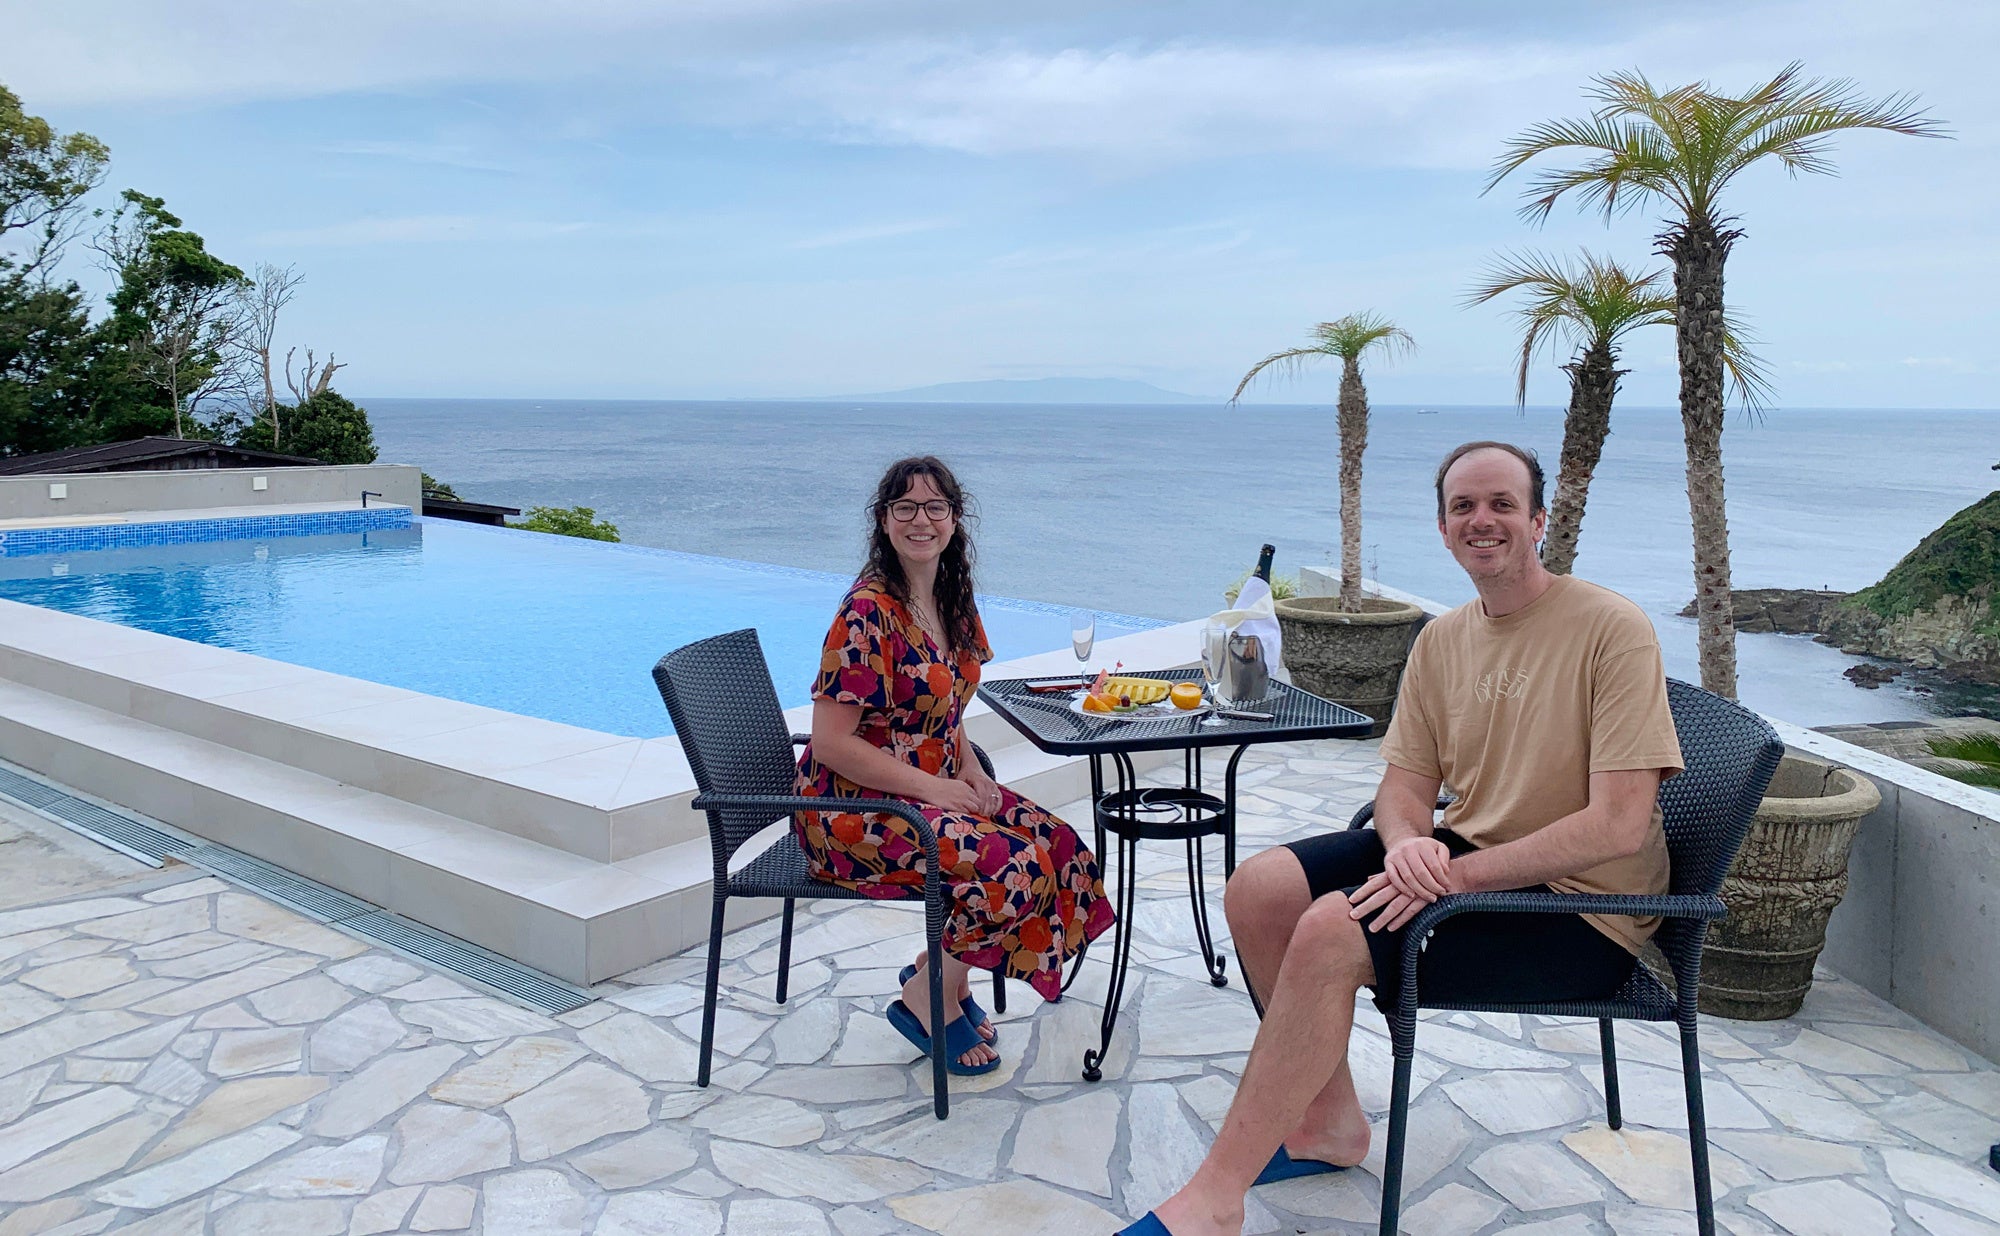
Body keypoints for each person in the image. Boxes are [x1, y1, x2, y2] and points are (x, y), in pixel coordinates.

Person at [1124, 441, 1684, 1235]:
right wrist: (1407, 846)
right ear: (1443, 528)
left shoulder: (1610, 629)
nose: (1482, 520)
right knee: (1261, 890)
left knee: (1332, 929)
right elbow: (1404, 790)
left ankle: (1214, 1201)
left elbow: (1617, 824)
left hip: (1583, 912)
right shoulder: (1443, 639)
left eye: (1502, 504)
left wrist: (1453, 877)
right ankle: (1329, 1123)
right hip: (1471, 858)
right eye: (1464, 507)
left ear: (1538, 521)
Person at [795, 455, 1115, 1074]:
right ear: (883, 520)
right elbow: (832, 743)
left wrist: (970, 770)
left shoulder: (951, 598)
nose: (921, 520)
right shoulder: (866, 613)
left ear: (955, 518)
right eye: (905, 507)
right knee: (1012, 866)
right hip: (852, 809)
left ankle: (941, 971)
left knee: (1059, 846)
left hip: (929, 787)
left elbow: (947, 705)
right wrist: (936, 790)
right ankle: (930, 995)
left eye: (935, 507)